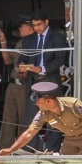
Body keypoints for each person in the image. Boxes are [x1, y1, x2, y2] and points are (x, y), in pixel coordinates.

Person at [0, 82, 82, 155]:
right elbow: (29, 133)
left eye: (38, 101)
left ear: (48, 101)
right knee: (63, 161)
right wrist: (10, 150)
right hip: (70, 139)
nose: (36, 104)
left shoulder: (73, 105)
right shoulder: (43, 113)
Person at [17, 10, 67, 152]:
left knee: (54, 119)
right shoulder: (29, 40)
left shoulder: (57, 38)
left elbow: (59, 59)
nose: (37, 28)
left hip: (50, 82)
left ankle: (52, 151)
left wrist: (42, 68)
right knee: (31, 120)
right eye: (34, 25)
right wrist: (22, 66)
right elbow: (23, 57)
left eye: (39, 24)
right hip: (33, 84)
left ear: (46, 22)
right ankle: (28, 151)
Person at [0, 15, 33, 148]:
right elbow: (8, 60)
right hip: (13, 84)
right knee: (8, 117)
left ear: (30, 27)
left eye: (22, 26)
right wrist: (3, 42)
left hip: (24, 86)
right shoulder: (20, 43)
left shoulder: (35, 43)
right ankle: (5, 147)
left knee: (23, 119)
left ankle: (22, 148)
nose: (19, 28)